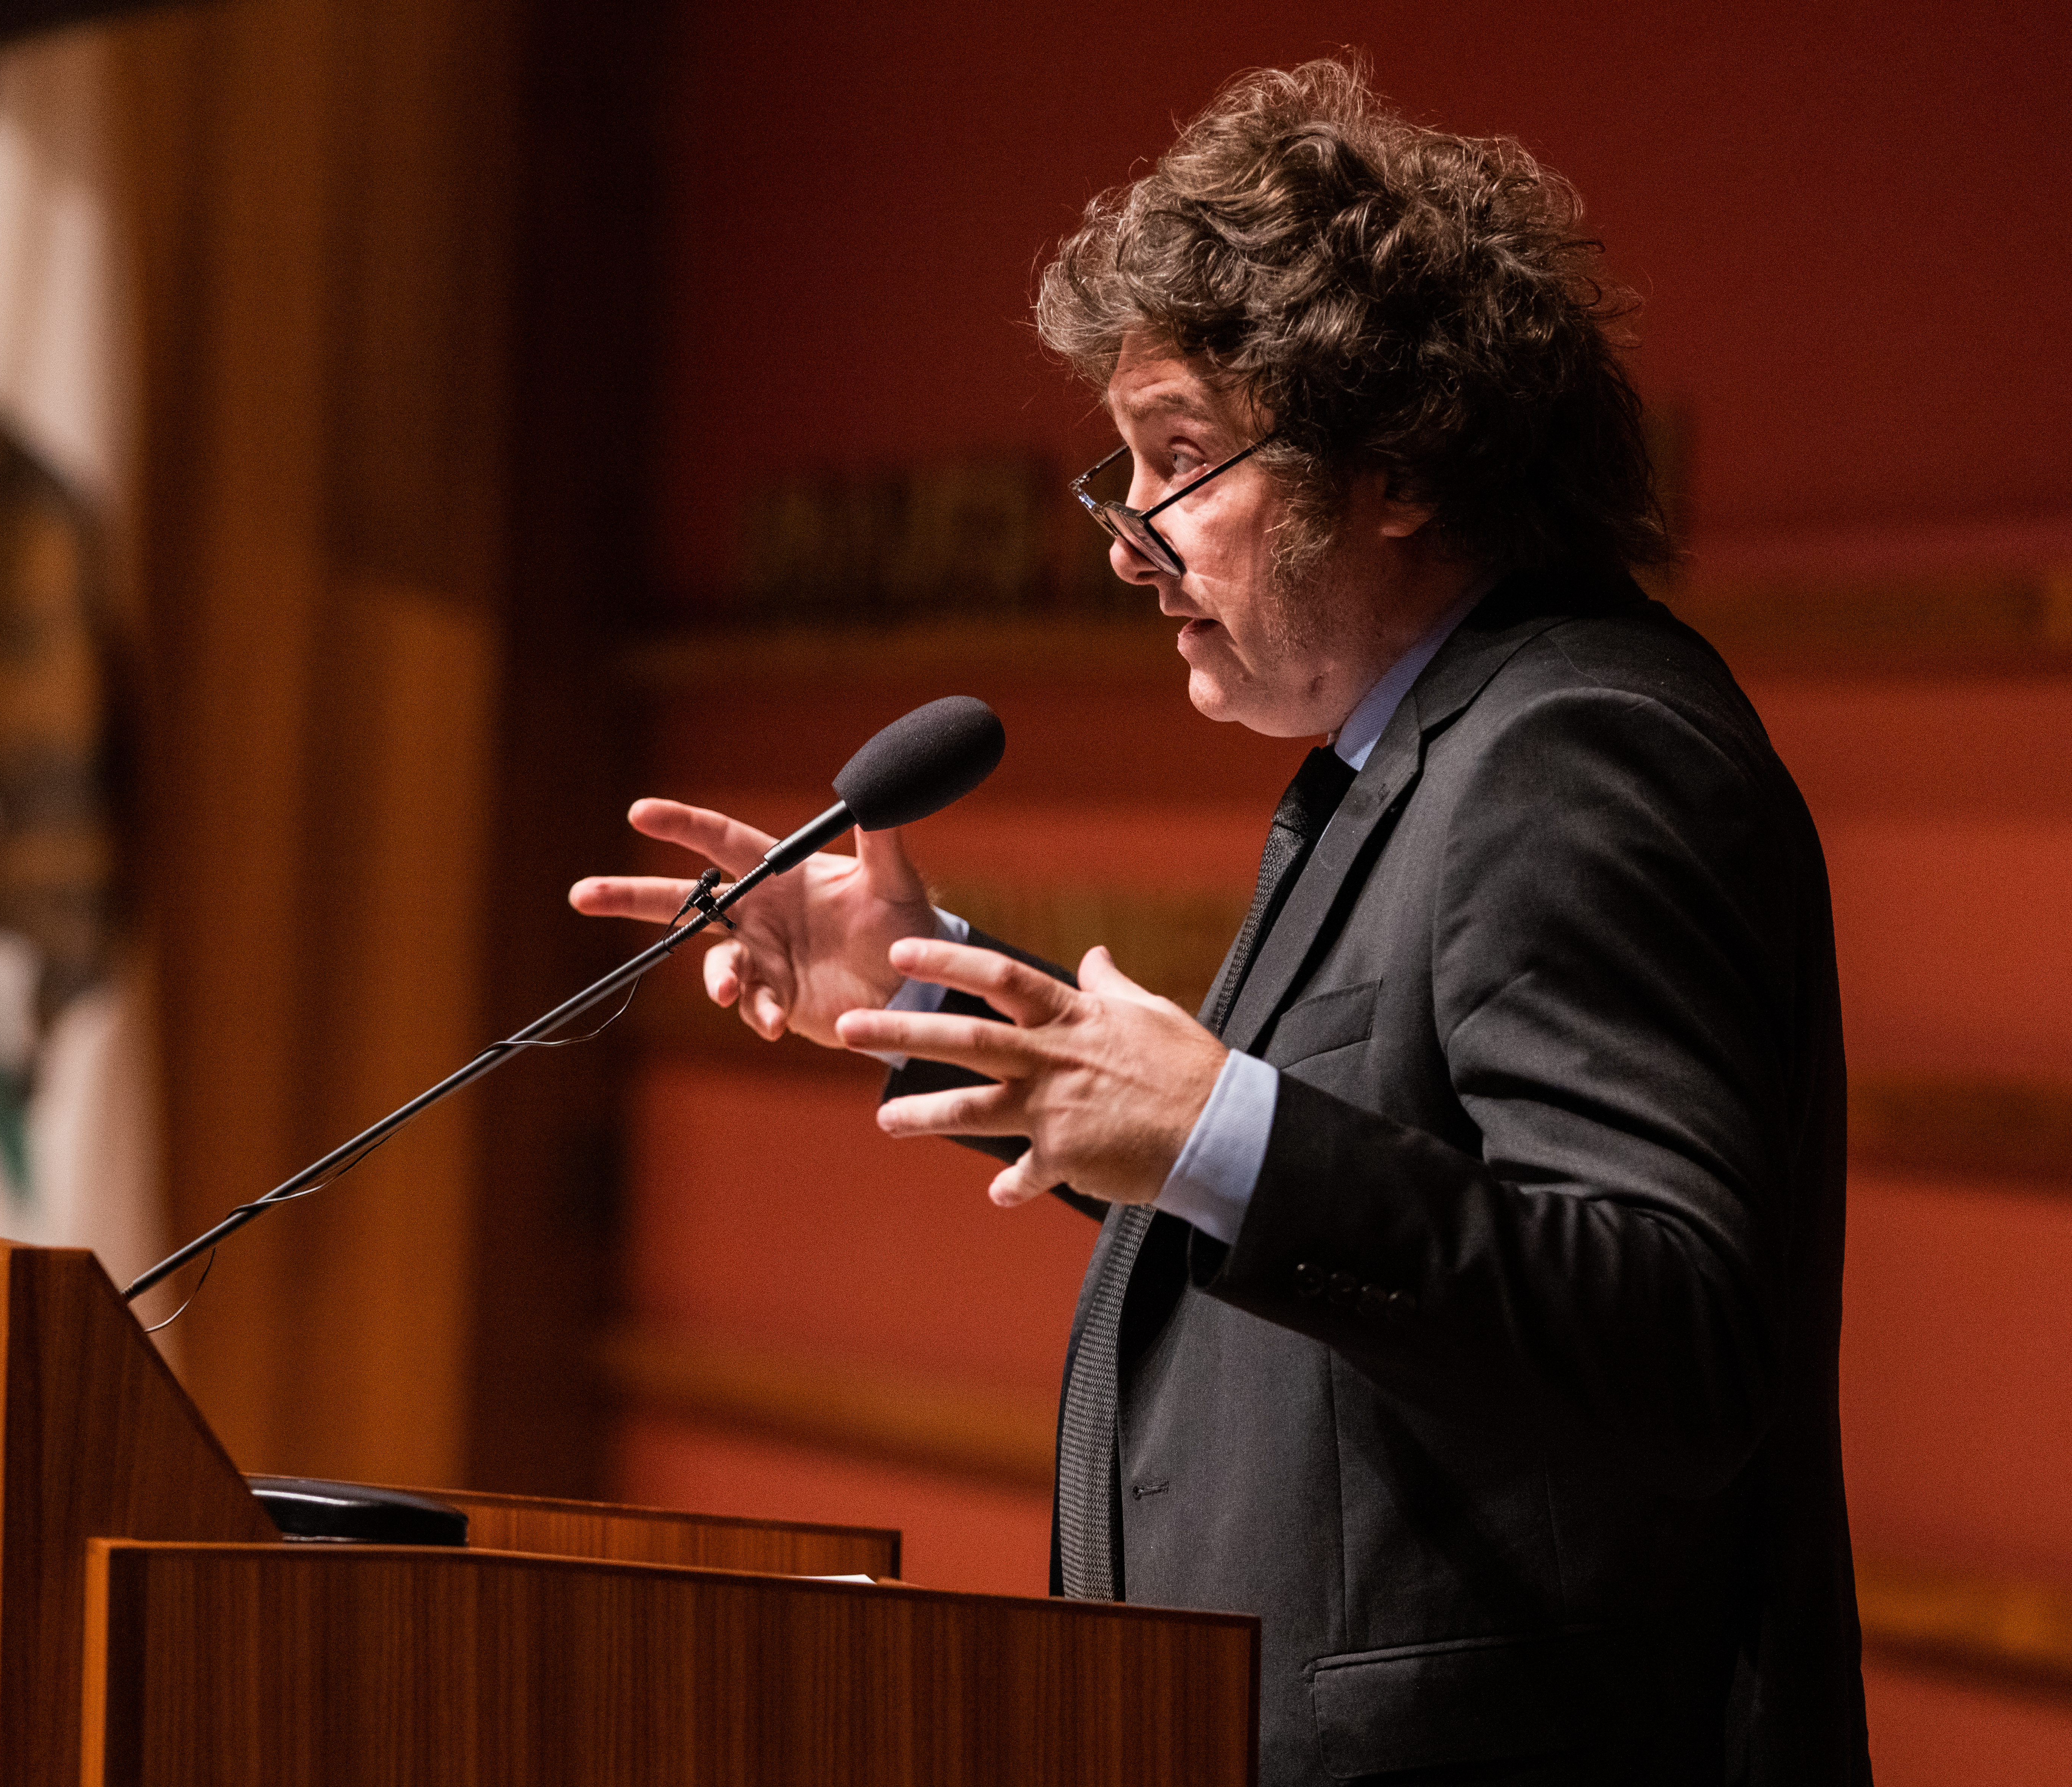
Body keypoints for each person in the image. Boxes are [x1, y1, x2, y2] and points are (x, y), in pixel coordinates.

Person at [572, 58, 1868, 1786]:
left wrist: (1217, 1129)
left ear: (1399, 461)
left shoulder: (1575, 747)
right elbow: (1346, 1182)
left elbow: (1674, 1330)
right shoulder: (1404, 754)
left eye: (1177, 460)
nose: (1128, 541)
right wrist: (949, 1003)